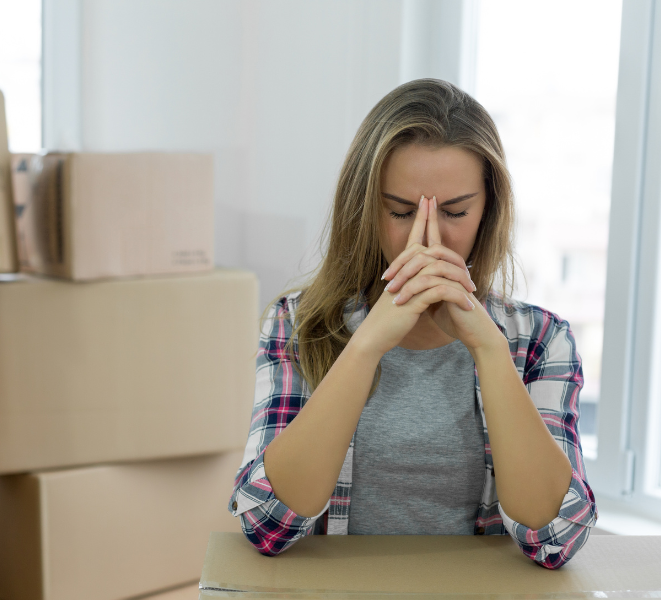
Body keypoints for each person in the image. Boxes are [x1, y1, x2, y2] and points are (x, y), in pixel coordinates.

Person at [228, 78, 596, 569]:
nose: (428, 239)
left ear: (488, 210)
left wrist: (489, 351)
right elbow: (264, 525)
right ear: (365, 209)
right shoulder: (297, 325)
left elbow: (557, 539)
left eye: (457, 211)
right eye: (401, 211)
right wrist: (365, 347)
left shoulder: (541, 341)